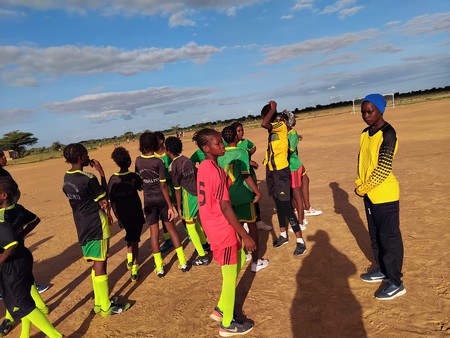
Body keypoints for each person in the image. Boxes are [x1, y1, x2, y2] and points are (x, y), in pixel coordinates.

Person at [193, 128, 256, 337]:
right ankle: (227, 324)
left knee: (238, 258)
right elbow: (225, 207)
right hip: (221, 227)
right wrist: (245, 235)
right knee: (229, 276)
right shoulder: (216, 170)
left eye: (221, 142)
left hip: (212, 225)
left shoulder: (203, 166)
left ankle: (221, 308)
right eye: (218, 144)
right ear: (206, 148)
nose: (222, 146)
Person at [62, 143, 130, 317]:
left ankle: (99, 303)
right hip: (95, 224)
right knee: (101, 263)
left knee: (96, 262)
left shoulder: (67, 178)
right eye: (85, 154)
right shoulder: (88, 178)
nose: (88, 157)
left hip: (82, 224)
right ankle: (106, 307)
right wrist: (101, 173)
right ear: (79, 157)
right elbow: (104, 197)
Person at [0, 177, 66, 338]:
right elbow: (35, 220)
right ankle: (25, 335)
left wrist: (1, 259)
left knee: (22, 304)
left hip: (12, 264)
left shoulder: (1, 218)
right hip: (24, 258)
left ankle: (56, 336)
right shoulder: (18, 208)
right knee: (25, 298)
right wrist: (21, 234)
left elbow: (10, 243)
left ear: (3, 195)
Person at [356, 94, 406, 300]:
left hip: (385, 195)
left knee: (389, 238)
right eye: (363, 112)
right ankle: (382, 269)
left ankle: (395, 281)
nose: (366, 116)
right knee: (375, 235)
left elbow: (383, 169)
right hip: (369, 194)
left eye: (370, 111)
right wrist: (359, 183)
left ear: (380, 111)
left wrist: (363, 188)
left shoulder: (389, 133)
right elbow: (362, 161)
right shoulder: (365, 133)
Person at [135, 132, 188, 276]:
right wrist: (170, 206)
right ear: (154, 144)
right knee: (172, 230)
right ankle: (182, 262)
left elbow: (138, 179)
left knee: (154, 234)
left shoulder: (138, 161)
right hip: (162, 199)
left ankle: (159, 267)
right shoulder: (158, 162)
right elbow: (163, 186)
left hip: (148, 200)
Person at [219, 126, 269, 273]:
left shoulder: (219, 155)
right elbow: (246, 175)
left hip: (227, 198)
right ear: (236, 137)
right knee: (252, 226)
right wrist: (257, 192)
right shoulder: (242, 152)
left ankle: (243, 256)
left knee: (236, 227)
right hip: (243, 196)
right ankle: (255, 261)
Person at [261, 100, 306, 256]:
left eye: (265, 116)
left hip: (281, 171)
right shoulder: (274, 130)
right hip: (272, 170)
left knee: (286, 205)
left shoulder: (279, 125)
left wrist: (273, 108)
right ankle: (283, 235)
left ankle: (300, 240)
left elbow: (264, 124)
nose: (264, 119)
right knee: (278, 203)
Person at [164, 136, 210, 266]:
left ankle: (202, 256)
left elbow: (177, 189)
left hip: (188, 196)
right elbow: (197, 172)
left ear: (168, 150)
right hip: (198, 194)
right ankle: (205, 245)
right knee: (196, 223)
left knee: (190, 227)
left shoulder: (173, 166)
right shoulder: (187, 160)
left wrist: (178, 207)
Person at [108, 147, 145, 282]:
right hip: (135, 213)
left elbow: (111, 199)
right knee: (134, 240)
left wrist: (117, 216)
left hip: (122, 214)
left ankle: (129, 259)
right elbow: (141, 187)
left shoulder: (112, 179)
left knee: (130, 236)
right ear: (129, 161)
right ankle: (134, 268)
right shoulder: (133, 177)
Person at [230, 122, 272, 231]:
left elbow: (253, 147)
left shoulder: (245, 142)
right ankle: (244, 222)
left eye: (242, 130)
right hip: (240, 179)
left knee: (254, 197)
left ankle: (258, 221)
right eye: (238, 131)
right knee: (244, 200)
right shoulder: (229, 145)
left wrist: (248, 155)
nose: (241, 133)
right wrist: (248, 161)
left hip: (249, 174)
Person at [279, 111, 307, 233]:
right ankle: (297, 216)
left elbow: (287, 152)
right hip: (287, 168)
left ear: (286, 122)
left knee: (297, 195)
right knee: (291, 195)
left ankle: (300, 222)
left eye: (281, 121)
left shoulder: (292, 134)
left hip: (293, 168)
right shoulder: (285, 133)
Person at [154, 131, 176, 253]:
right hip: (161, 190)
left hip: (173, 187)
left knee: (180, 210)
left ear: (162, 141)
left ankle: (190, 233)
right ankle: (168, 239)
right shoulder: (152, 156)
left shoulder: (169, 154)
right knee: (165, 216)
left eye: (155, 140)